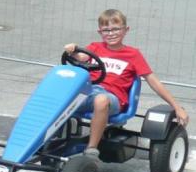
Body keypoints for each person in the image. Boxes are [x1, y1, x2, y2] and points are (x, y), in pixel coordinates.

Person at [64, 9, 188, 158]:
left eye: (116, 29)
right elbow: (81, 57)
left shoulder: (133, 54)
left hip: (112, 99)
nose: (111, 34)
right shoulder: (95, 47)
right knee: (60, 91)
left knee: (101, 100)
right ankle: (46, 140)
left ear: (125, 30)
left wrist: (176, 107)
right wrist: (72, 50)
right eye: (106, 30)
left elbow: (153, 81)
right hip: (89, 93)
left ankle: (91, 150)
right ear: (100, 32)